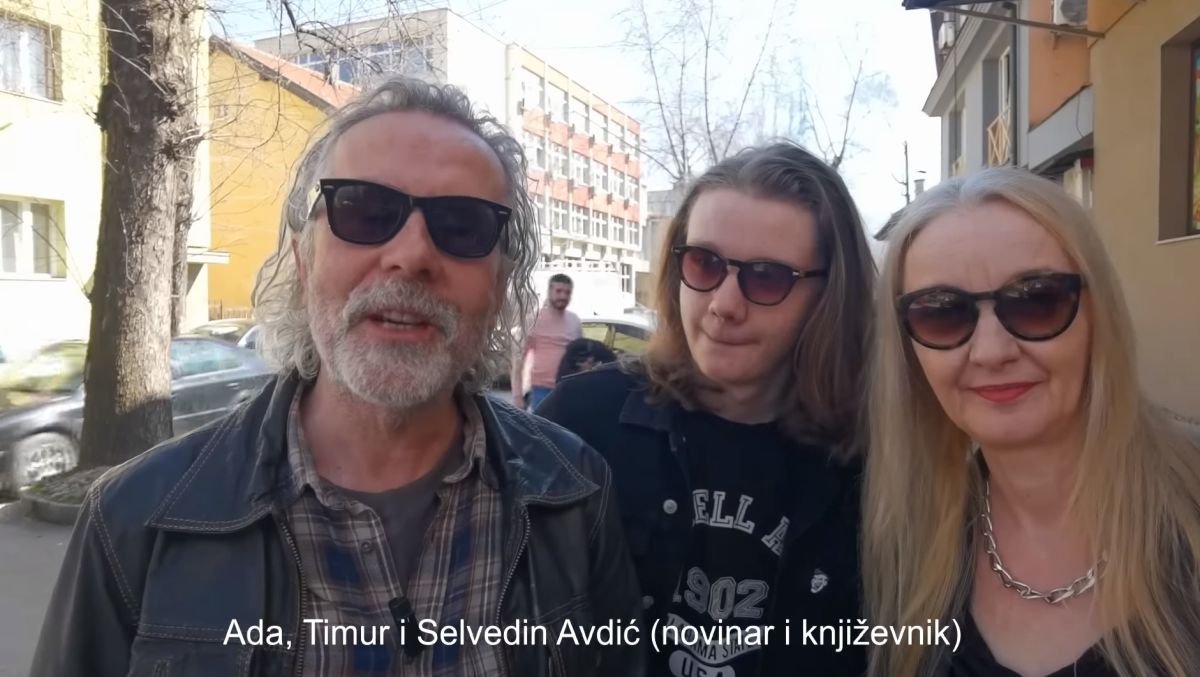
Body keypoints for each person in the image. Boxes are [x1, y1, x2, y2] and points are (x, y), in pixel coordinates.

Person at [31, 77, 643, 677]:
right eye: (365, 211)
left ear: (501, 285)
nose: (411, 255)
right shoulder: (134, 519)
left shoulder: (575, 494)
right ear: (303, 260)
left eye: (462, 226)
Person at [536, 142, 877, 676]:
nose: (723, 304)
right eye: (704, 263)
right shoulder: (581, 421)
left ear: (829, 295)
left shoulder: (872, 462)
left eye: (766, 277)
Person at [863, 166, 1200, 677]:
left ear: (1098, 315)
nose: (991, 351)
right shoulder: (903, 536)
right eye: (941, 312)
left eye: (1036, 300)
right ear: (909, 349)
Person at [511, 273, 582, 410]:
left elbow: (580, 356)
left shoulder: (574, 321)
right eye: (558, 291)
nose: (563, 296)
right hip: (541, 390)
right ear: (549, 291)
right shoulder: (534, 319)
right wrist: (517, 396)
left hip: (569, 389)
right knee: (542, 424)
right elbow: (518, 361)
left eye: (567, 292)